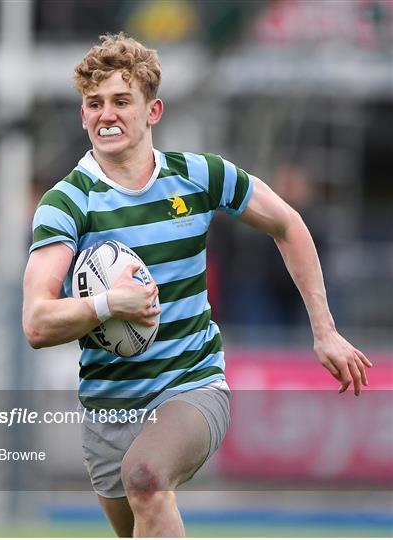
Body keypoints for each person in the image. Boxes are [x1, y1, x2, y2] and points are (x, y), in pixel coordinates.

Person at [22, 33, 372, 538]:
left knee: (145, 479)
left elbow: (288, 224)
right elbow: (36, 321)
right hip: (108, 405)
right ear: (82, 116)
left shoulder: (200, 176)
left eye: (122, 100)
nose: (107, 114)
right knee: (140, 506)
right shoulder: (67, 203)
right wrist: (108, 303)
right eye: (94, 104)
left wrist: (325, 330)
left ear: (153, 110)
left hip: (194, 386)